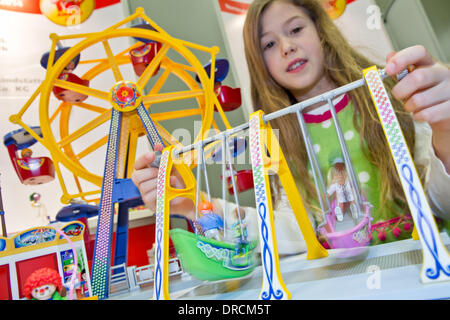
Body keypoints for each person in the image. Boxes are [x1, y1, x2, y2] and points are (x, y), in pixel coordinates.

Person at [132, 0, 450, 252]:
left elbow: (440, 201)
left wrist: (446, 130)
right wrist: (190, 204)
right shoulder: (272, 137)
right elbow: (290, 230)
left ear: (320, 30)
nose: (286, 46)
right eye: (268, 45)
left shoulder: (387, 92)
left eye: (295, 29)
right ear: (261, 65)